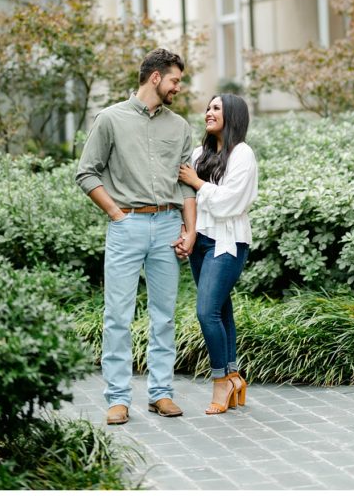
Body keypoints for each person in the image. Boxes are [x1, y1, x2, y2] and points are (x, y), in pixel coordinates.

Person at [76, 48, 196, 426]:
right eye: (175, 80)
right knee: (117, 316)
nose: (179, 87)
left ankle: (161, 393)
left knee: (163, 316)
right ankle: (117, 399)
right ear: (156, 77)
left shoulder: (179, 127)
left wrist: (189, 229)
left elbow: (187, 185)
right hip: (126, 226)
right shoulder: (110, 119)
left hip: (166, 227)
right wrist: (115, 212)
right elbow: (86, 173)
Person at [177, 93, 257, 415]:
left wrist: (197, 182)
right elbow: (187, 198)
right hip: (201, 242)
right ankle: (235, 376)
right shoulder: (200, 153)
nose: (208, 113)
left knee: (206, 311)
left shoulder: (243, 154)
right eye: (208, 107)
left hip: (228, 244)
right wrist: (187, 230)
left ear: (232, 115)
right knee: (221, 309)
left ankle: (220, 380)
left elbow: (229, 203)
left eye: (216, 108)